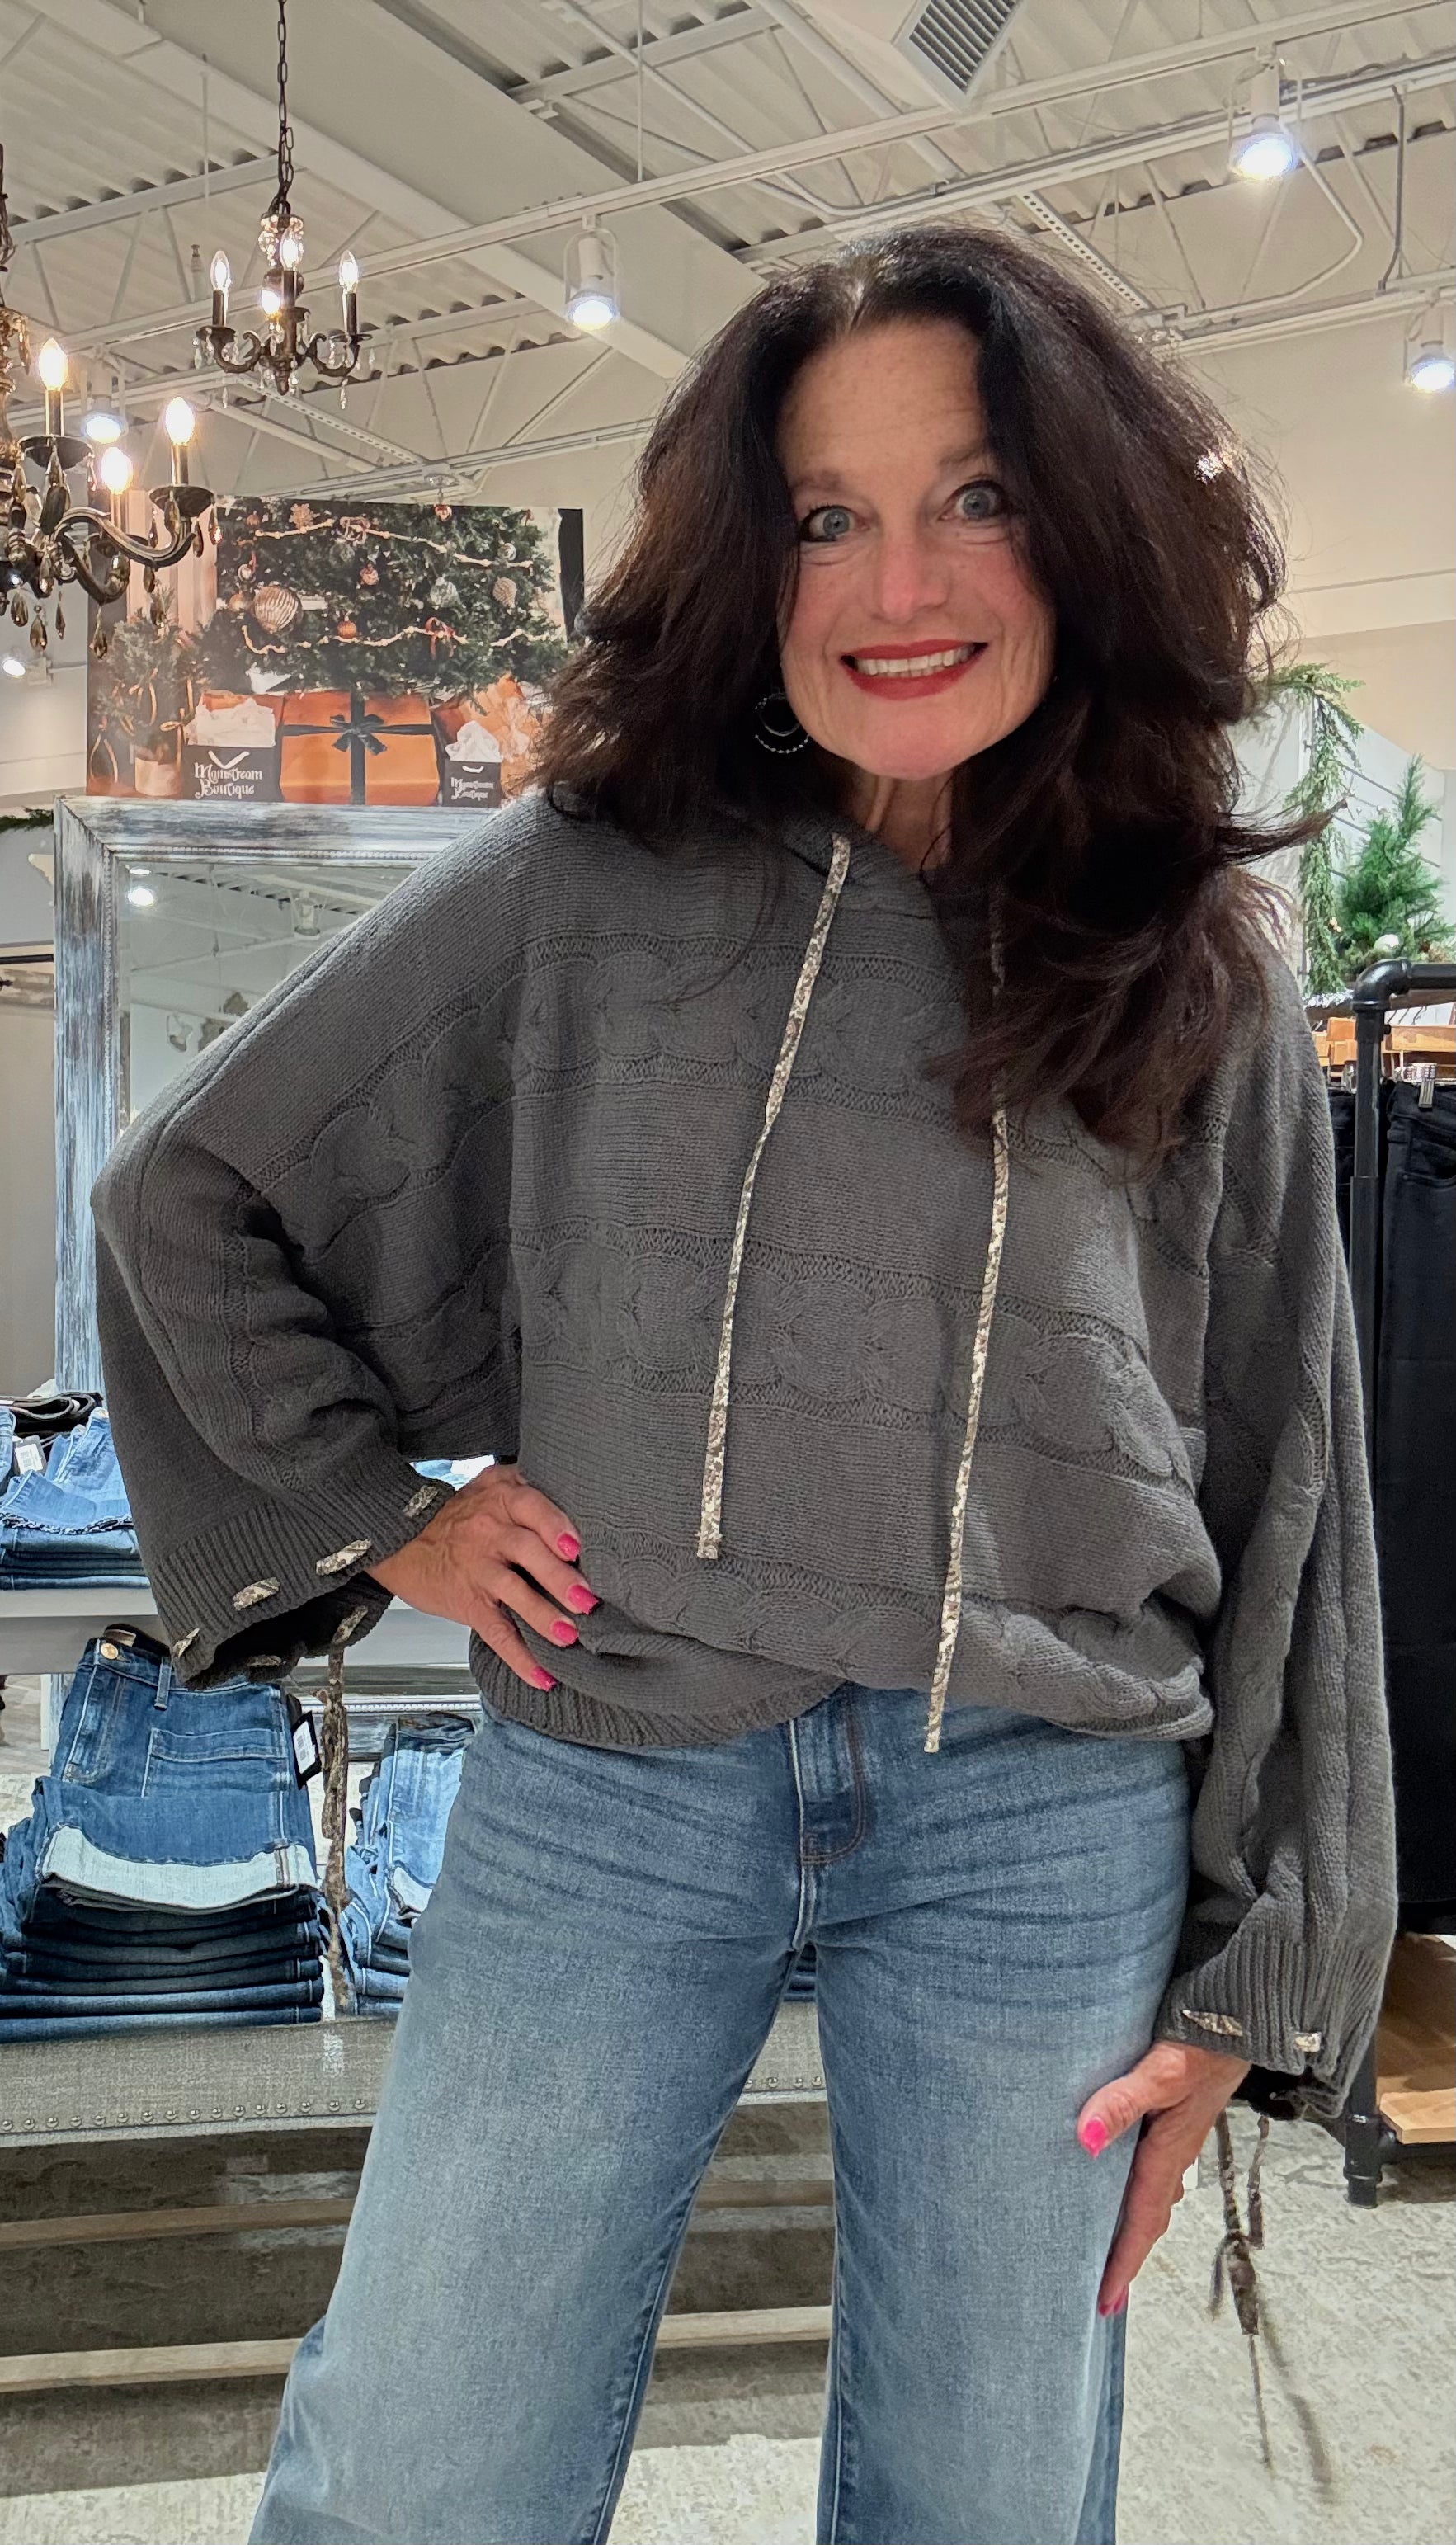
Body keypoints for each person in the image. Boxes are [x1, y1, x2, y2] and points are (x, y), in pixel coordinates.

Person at [93, 228, 1395, 2545]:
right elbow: (190, 1188)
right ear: (753, 560)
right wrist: (388, 1514)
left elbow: (1292, 1465)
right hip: (616, 1771)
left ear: (1081, 528)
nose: (898, 582)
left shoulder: (1192, 953)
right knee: (420, 2471)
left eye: (976, 497)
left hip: (1041, 1814)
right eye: (824, 515)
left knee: (989, 2501)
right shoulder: (592, 886)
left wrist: (1258, 1967)